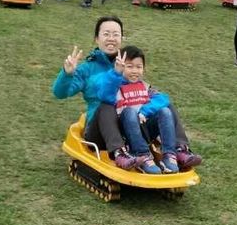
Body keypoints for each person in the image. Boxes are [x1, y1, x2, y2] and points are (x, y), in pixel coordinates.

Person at [52, 16, 202, 171]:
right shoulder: (87, 69)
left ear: (121, 38)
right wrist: (67, 74)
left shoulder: (129, 63)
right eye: (106, 34)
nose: (111, 38)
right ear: (97, 38)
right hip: (102, 130)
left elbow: (143, 92)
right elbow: (60, 93)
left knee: (165, 105)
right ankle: (119, 152)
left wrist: (145, 111)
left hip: (131, 123)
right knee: (106, 105)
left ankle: (178, 150)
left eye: (116, 34)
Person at [94, 46, 182, 174]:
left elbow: (163, 99)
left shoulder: (145, 87)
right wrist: (116, 73)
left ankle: (169, 154)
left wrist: (145, 112)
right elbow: (104, 95)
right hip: (124, 131)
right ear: (121, 66)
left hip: (145, 129)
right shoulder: (115, 86)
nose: (134, 71)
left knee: (165, 111)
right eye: (129, 66)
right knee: (129, 112)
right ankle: (142, 154)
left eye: (138, 67)